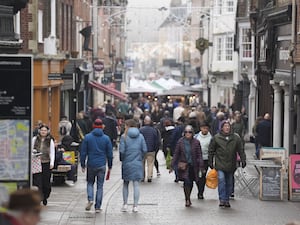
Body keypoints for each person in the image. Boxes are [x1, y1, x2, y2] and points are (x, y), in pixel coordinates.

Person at [208, 120, 246, 208]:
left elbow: (240, 150)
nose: (227, 128)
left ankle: (227, 199)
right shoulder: (216, 138)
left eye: (228, 126)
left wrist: (243, 160)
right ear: (221, 128)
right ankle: (222, 199)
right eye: (225, 126)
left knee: (229, 181)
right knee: (221, 179)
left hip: (231, 164)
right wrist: (210, 161)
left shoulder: (236, 138)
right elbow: (211, 150)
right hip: (220, 163)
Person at [80, 119, 113, 213]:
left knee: (90, 183)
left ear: (93, 126)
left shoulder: (87, 137)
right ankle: (98, 207)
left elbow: (83, 152)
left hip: (91, 164)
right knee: (100, 186)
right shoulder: (106, 138)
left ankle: (90, 199)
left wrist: (82, 164)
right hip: (102, 164)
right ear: (102, 126)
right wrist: (110, 165)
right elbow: (110, 154)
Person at [170, 125, 205, 207]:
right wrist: (172, 165)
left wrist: (201, 165)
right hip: (184, 166)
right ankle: (187, 199)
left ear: (192, 133)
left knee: (192, 182)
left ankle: (188, 196)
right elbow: (176, 153)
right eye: (186, 132)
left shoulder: (196, 142)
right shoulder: (180, 142)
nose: (188, 134)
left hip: (193, 165)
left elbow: (199, 154)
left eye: (189, 132)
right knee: (187, 181)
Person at [119, 119, 147, 213]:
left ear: (127, 126)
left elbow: (122, 151)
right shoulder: (141, 136)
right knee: (136, 184)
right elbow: (144, 149)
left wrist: (122, 159)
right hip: (137, 162)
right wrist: (140, 158)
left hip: (127, 162)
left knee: (126, 184)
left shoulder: (124, 137)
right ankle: (135, 206)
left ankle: (125, 204)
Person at [32, 124, 55, 206]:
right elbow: (31, 149)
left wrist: (52, 162)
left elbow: (52, 152)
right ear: (39, 131)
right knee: (38, 182)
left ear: (47, 131)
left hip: (46, 163)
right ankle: (39, 197)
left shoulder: (50, 140)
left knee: (46, 182)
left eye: (45, 130)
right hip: (36, 163)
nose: (43, 132)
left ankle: (45, 196)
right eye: (42, 130)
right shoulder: (35, 139)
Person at [194, 121, 212, 199]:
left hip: (205, 159)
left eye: (206, 128)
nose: (205, 130)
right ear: (200, 128)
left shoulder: (211, 138)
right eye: (203, 128)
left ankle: (201, 192)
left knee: (203, 176)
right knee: (196, 176)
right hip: (196, 159)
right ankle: (199, 187)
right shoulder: (196, 136)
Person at [139, 116, 159, 182]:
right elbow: (156, 140)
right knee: (150, 163)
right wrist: (156, 149)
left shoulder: (140, 130)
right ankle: (149, 176)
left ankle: (142, 177)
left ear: (144, 121)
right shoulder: (154, 130)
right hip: (151, 149)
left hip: (142, 150)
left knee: (142, 163)